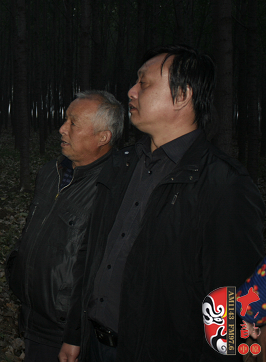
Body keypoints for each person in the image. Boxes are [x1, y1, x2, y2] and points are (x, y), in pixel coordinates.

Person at [76, 44, 264, 361]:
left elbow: (231, 315)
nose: (131, 91)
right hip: (95, 345)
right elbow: (92, 255)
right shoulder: (121, 165)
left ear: (182, 96)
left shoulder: (225, 185)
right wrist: (76, 334)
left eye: (144, 83)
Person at [6, 91, 124, 362]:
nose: (62, 128)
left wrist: (76, 333)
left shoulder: (114, 187)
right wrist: (16, 266)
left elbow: (105, 272)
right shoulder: (51, 171)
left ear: (103, 137)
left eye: (73, 123)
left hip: (69, 330)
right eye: (65, 120)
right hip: (33, 316)